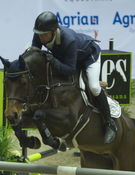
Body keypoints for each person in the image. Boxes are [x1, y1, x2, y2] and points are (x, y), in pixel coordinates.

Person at [32, 11, 117, 144]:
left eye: (45, 35)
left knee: (94, 87)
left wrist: (53, 61)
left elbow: (69, 70)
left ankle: (109, 123)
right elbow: (34, 54)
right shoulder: (40, 34)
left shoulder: (68, 40)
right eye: (39, 34)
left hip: (89, 57)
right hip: (68, 58)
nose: (41, 38)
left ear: (54, 31)